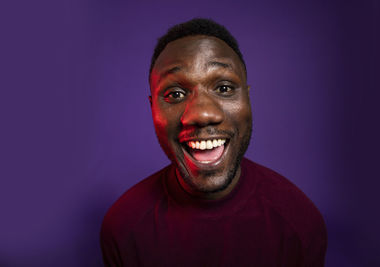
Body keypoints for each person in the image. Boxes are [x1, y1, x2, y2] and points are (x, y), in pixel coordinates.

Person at [100, 18, 327, 266]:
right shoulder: (123, 227)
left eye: (224, 88)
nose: (202, 114)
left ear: (248, 99)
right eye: (175, 94)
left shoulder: (300, 223)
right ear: (153, 107)